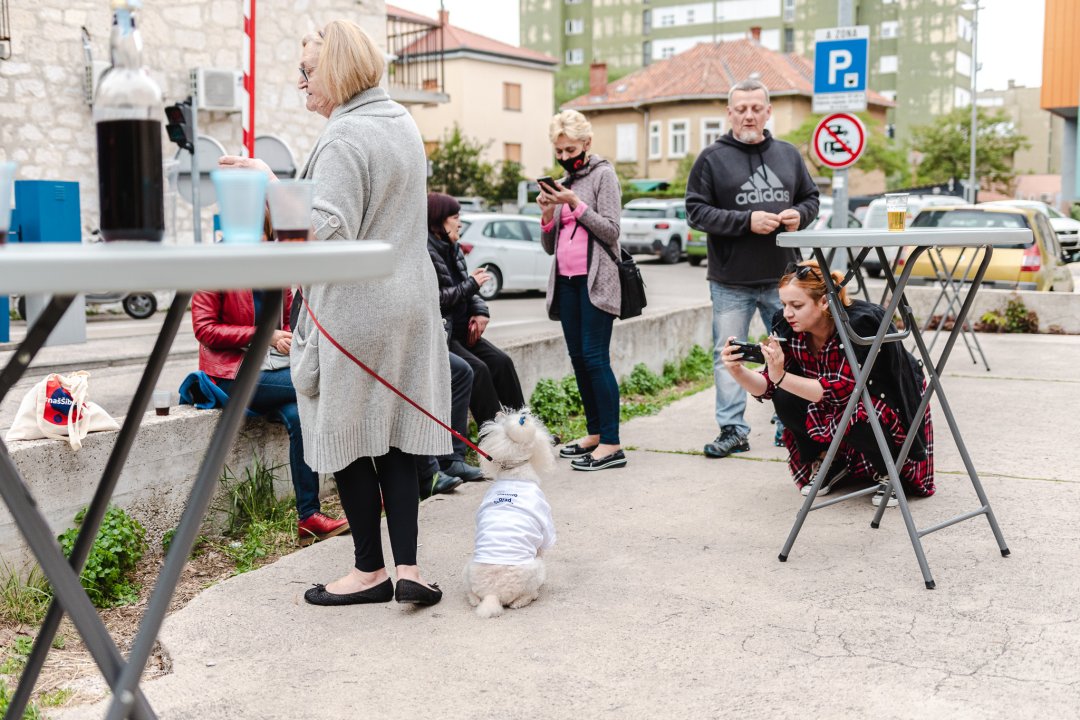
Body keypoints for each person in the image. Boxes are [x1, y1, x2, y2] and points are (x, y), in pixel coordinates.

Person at [221, 20, 448, 607]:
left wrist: (271, 184)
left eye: (307, 71)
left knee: (343, 436)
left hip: (355, 309)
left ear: (341, 68)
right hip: (409, 303)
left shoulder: (345, 135)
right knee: (395, 438)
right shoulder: (400, 122)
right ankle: (408, 568)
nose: (301, 83)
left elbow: (324, 230)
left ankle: (368, 571)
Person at [721, 260, 935, 508]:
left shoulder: (860, 325)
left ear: (824, 302)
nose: (787, 313)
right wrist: (737, 370)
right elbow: (769, 386)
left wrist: (780, 376)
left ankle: (889, 469)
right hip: (833, 404)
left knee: (855, 409)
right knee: (785, 394)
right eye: (784, 304)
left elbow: (845, 391)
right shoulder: (790, 327)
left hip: (880, 404)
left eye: (797, 305)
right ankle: (829, 460)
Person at [685, 79, 820, 460]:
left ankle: (791, 421)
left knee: (795, 351)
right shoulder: (711, 158)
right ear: (729, 113)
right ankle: (733, 429)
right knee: (729, 355)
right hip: (731, 280)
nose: (748, 115)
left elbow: (811, 198)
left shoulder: (788, 155)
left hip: (785, 280)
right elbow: (696, 211)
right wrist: (745, 221)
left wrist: (801, 215)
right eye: (741, 108)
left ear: (767, 111)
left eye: (756, 108)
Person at [192, 286, 349, 546]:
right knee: (321, 382)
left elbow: (290, 320)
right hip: (230, 373)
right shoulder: (216, 264)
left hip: (273, 369)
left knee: (300, 415)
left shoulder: (277, 268)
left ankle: (309, 518)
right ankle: (358, 492)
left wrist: (287, 337)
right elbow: (205, 330)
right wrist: (266, 335)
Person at [538, 110, 626, 471]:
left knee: (595, 358)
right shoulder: (563, 182)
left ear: (587, 144)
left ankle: (612, 443)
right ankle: (594, 434)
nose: (563, 157)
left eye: (569, 149)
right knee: (578, 360)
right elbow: (549, 245)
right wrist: (547, 215)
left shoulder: (604, 175)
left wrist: (575, 204)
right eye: (558, 151)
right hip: (566, 283)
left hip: (597, 282)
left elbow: (611, 230)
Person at [426, 193, 525, 430]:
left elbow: (470, 289)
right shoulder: (426, 251)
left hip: (464, 331)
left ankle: (524, 428)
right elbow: (435, 299)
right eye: (456, 217)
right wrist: (471, 285)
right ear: (439, 219)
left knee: (502, 361)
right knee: (477, 370)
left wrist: (480, 311)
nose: (460, 223)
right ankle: (495, 437)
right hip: (445, 334)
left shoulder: (454, 247)